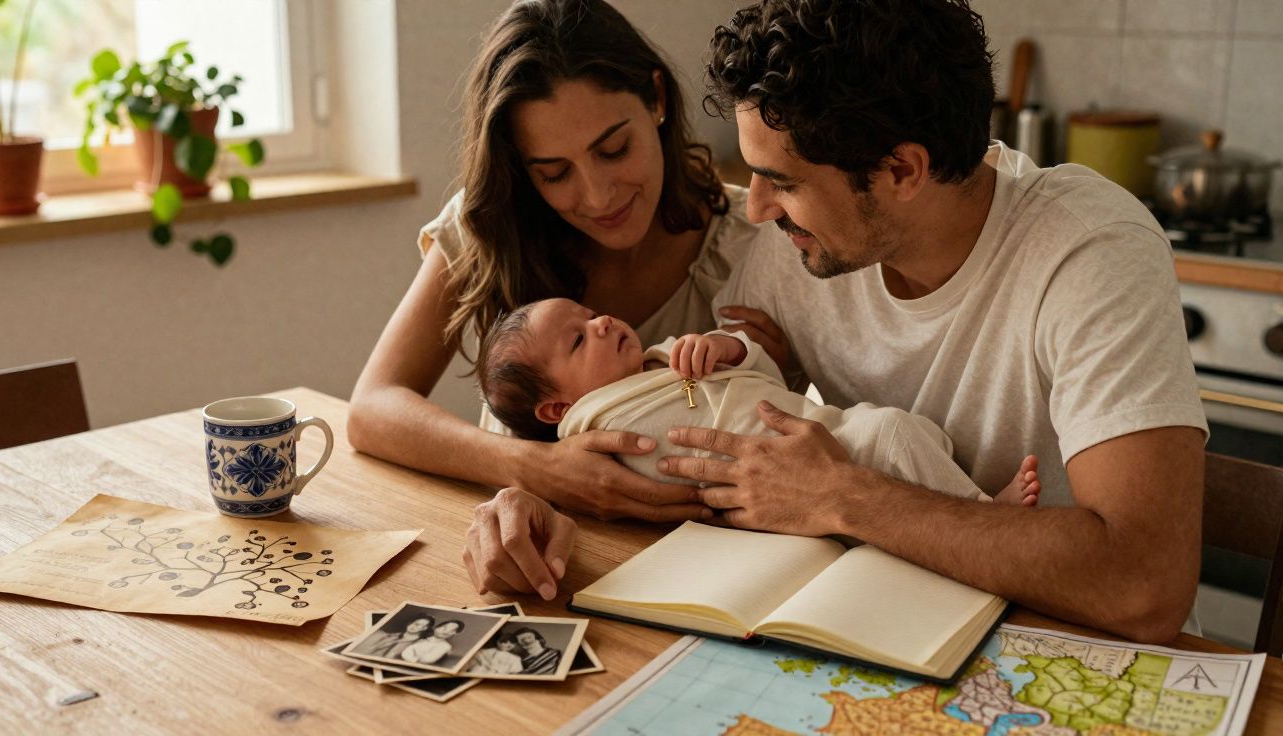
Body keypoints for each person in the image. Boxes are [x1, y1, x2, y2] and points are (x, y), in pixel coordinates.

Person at [464, 0, 1207, 644]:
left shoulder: (1087, 250)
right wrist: (535, 497)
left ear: (903, 172)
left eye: (781, 181)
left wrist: (846, 496)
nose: (752, 208)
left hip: (1077, 647)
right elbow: (694, 433)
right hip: (901, 628)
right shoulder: (791, 255)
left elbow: (1143, 587)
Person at [348, 0, 788, 533]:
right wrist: (535, 468)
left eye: (615, 148)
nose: (598, 196)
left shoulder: (756, 234)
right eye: (554, 173)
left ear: (657, 98)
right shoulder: (492, 225)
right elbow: (373, 407)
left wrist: (778, 367)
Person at [476, 297, 1039, 504]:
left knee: (910, 434)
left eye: (588, 313)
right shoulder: (599, 436)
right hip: (786, 473)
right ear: (556, 411)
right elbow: (669, 482)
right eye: (578, 340)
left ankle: (970, 502)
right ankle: (986, 512)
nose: (600, 324)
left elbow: (770, 378)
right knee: (892, 437)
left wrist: (725, 347)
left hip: (823, 428)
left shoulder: (664, 354)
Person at [360, 614, 434, 659]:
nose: (413, 625)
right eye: (413, 622)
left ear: (425, 628)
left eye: (418, 625)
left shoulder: (418, 644)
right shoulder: (388, 636)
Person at [401, 620, 465, 666]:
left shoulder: (445, 646)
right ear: (436, 627)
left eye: (452, 630)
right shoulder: (422, 638)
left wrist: (413, 659)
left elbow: (427, 660)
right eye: (444, 627)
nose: (446, 631)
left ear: (454, 633)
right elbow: (406, 652)